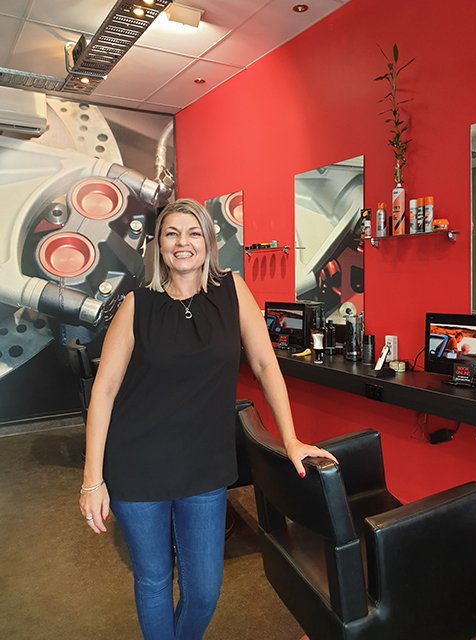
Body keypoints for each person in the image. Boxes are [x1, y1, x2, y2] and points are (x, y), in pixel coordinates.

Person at [79, 198, 338, 640]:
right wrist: (92, 479)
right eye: (172, 234)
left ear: (208, 242)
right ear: (159, 247)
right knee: (155, 580)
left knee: (203, 589)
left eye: (193, 232)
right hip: (138, 464)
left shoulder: (232, 290)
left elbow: (265, 364)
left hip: (204, 466)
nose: (183, 243)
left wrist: (290, 439)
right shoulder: (136, 306)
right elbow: (103, 392)